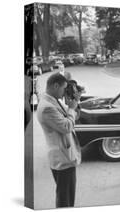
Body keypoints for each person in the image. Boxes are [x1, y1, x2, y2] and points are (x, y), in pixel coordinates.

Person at [37, 73, 82, 207]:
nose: (64, 93)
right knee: (64, 199)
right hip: (62, 159)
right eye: (63, 88)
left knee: (69, 196)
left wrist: (75, 102)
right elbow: (67, 126)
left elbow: (73, 118)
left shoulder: (53, 100)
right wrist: (72, 109)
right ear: (55, 86)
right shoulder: (47, 107)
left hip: (67, 155)